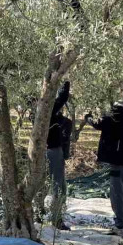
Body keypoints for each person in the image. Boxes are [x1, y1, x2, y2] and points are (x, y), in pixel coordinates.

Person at [84, 80, 123, 237]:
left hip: (118, 157)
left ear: (122, 91)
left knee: (117, 191)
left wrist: (88, 117)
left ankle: (120, 225)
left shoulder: (117, 111)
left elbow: (100, 124)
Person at [46, 81, 71, 230]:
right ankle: (56, 219)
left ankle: (51, 215)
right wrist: (66, 82)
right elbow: (62, 98)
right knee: (58, 186)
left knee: (55, 185)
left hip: (52, 149)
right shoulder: (49, 108)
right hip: (53, 150)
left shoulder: (43, 109)